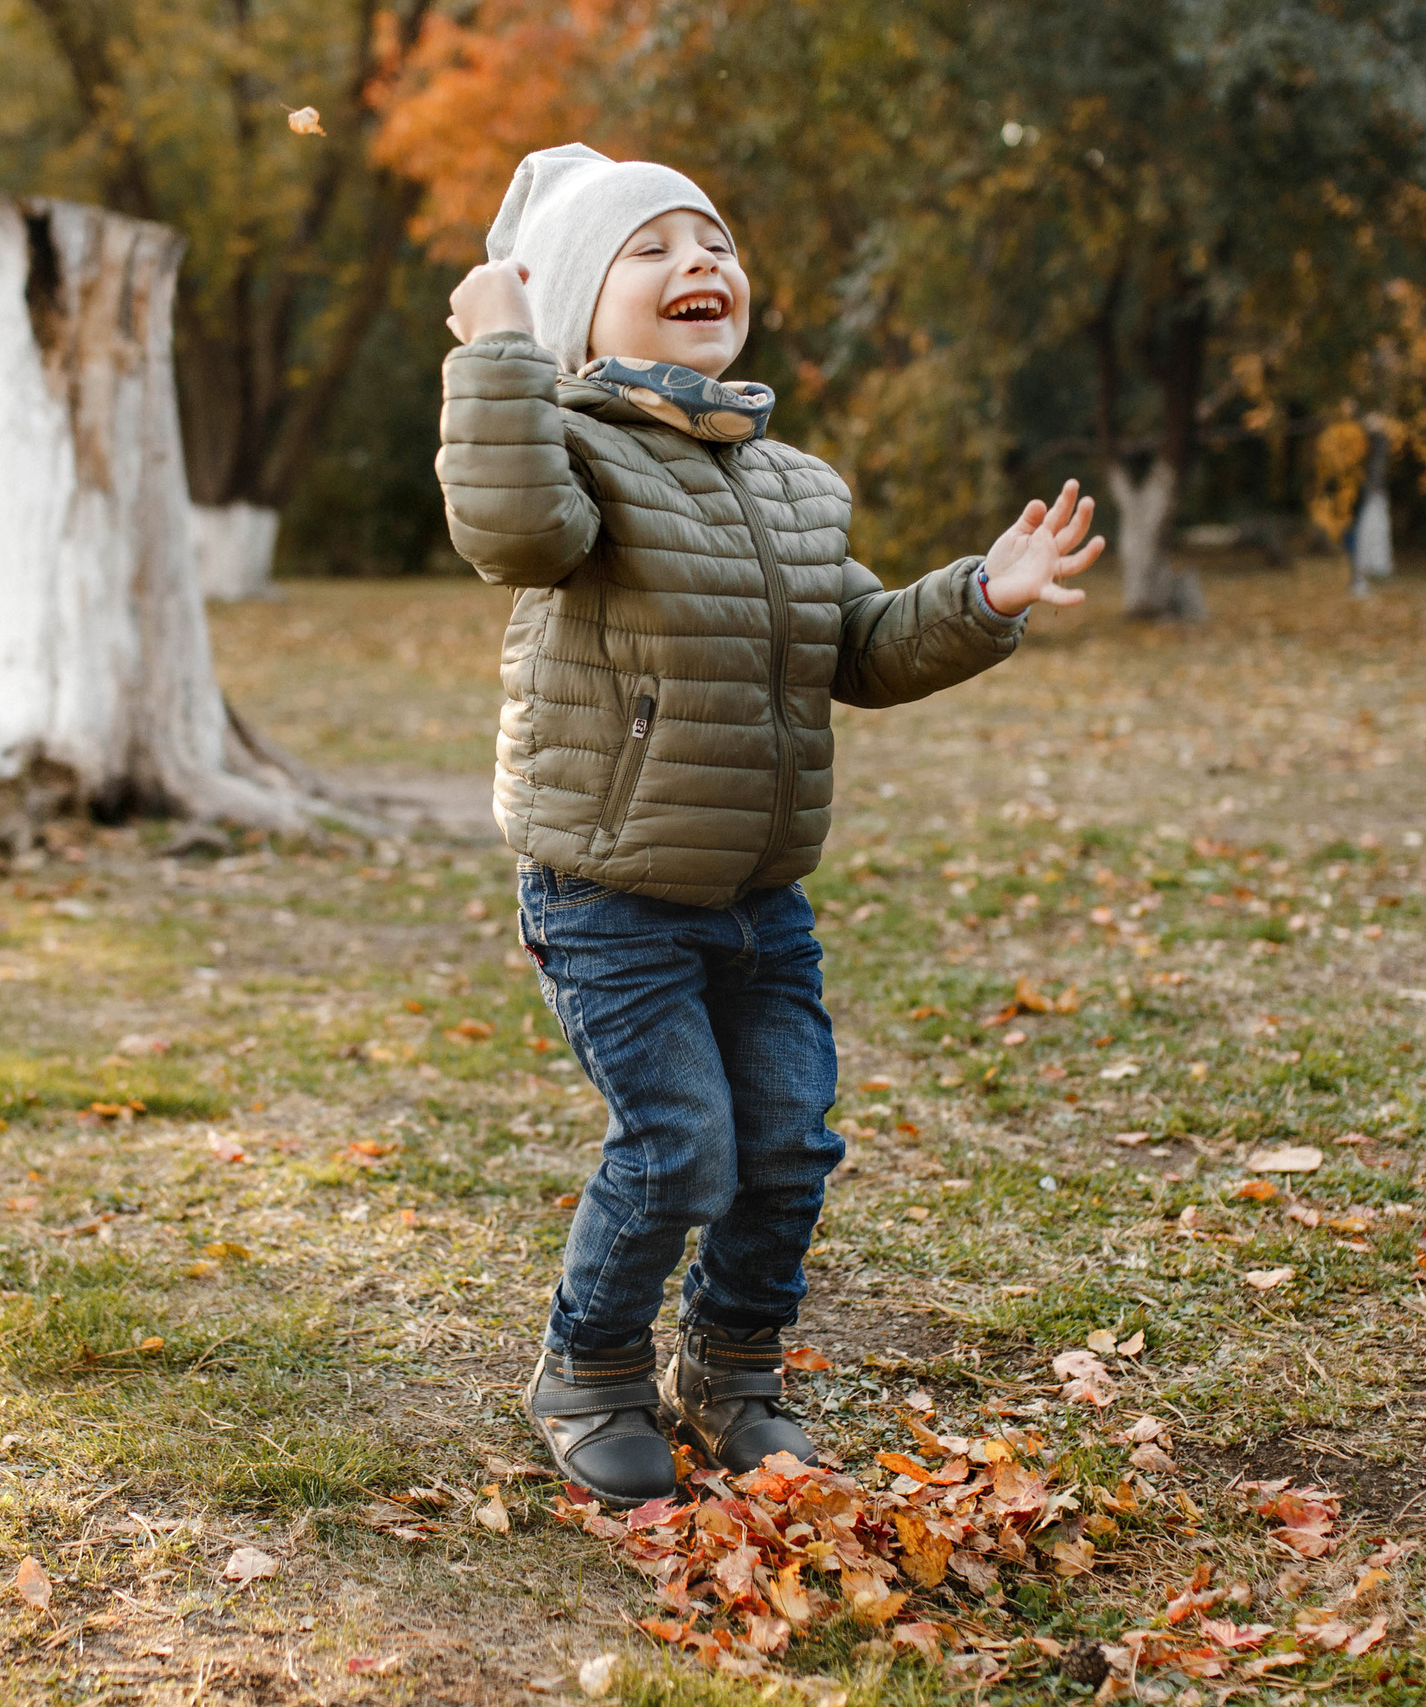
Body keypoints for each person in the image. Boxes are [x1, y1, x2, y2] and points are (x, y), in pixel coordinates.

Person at [435, 144, 1102, 1506]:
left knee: (789, 1137)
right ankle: (592, 1370)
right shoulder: (565, 446)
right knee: (680, 1140)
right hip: (609, 887)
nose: (700, 264)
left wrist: (984, 596)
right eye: (652, 248)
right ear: (571, 307)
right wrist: (500, 354)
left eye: (716, 242)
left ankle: (731, 1371)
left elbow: (855, 641)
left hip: (757, 892)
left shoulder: (792, 484)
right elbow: (506, 528)